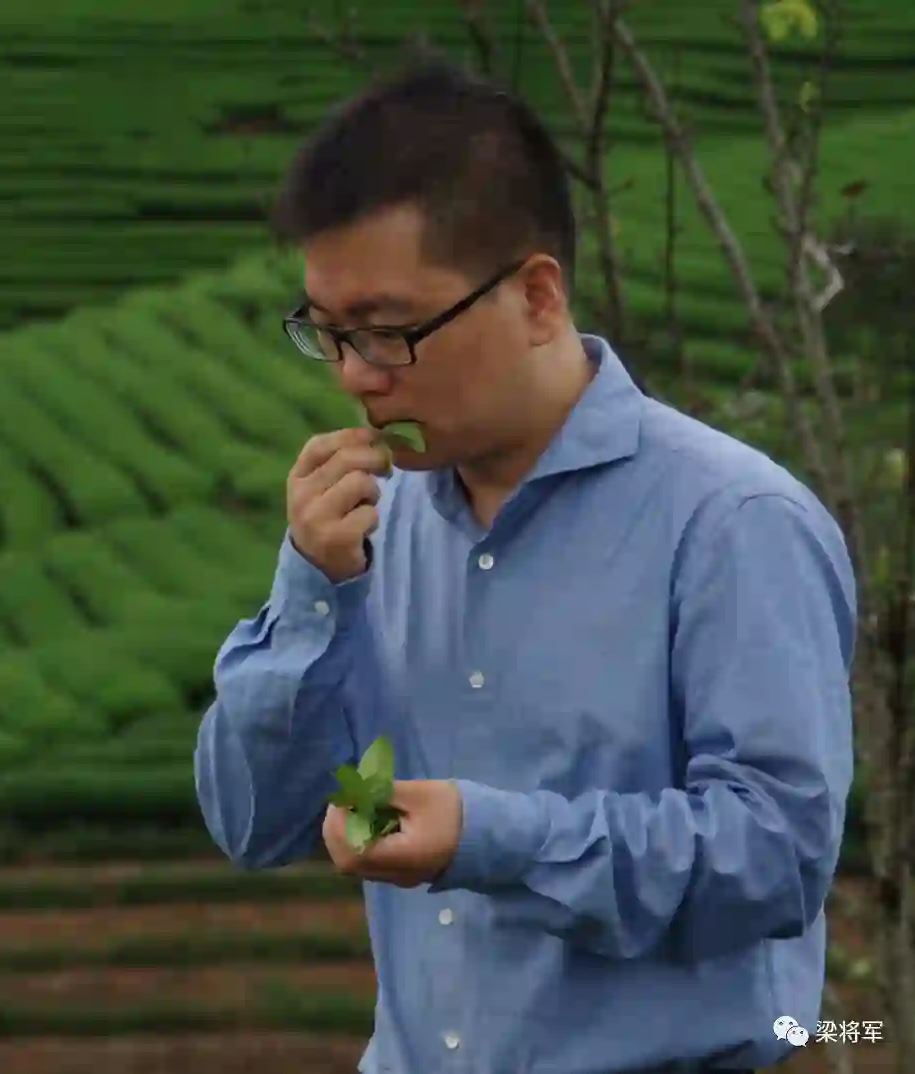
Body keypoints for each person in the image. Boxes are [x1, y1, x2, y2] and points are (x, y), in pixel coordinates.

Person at [194, 55, 856, 1074]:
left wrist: (494, 837)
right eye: (326, 334)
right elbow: (252, 822)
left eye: (388, 333)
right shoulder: (373, 529)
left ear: (537, 296)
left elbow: (776, 858)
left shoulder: (730, 524)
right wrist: (310, 589)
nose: (356, 377)